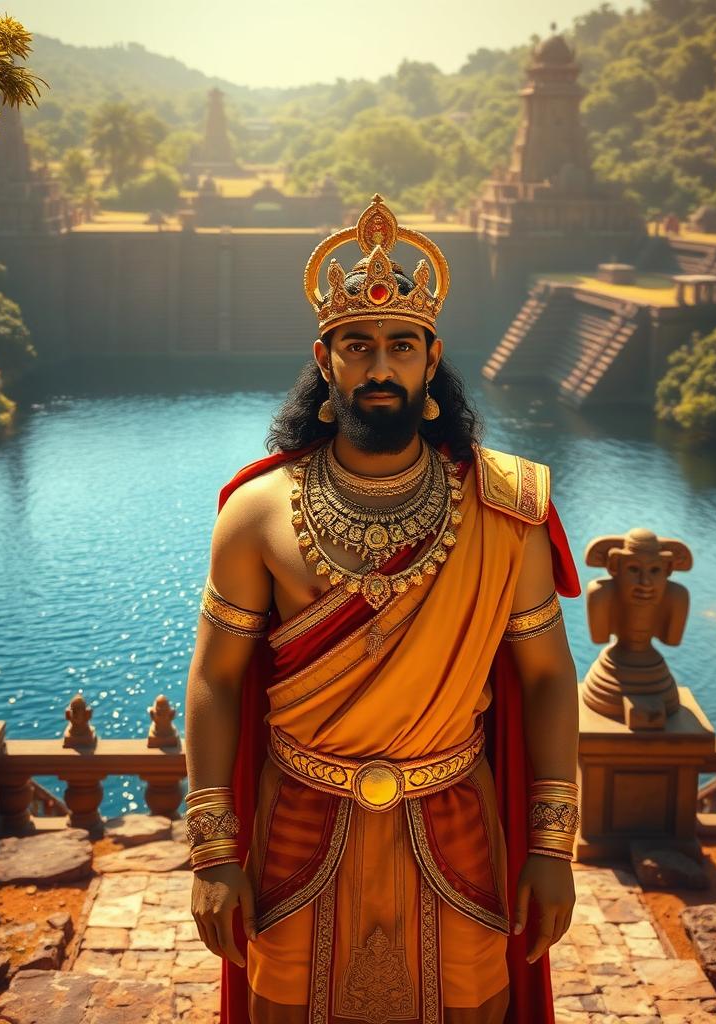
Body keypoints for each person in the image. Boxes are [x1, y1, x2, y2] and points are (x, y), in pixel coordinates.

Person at [184, 195, 582, 1024]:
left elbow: (545, 678)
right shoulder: (257, 511)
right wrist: (215, 852)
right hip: (299, 822)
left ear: (431, 361)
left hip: (456, 822)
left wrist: (550, 843)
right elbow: (217, 682)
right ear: (324, 361)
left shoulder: (506, 507)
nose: (379, 367)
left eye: (401, 346)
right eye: (357, 347)